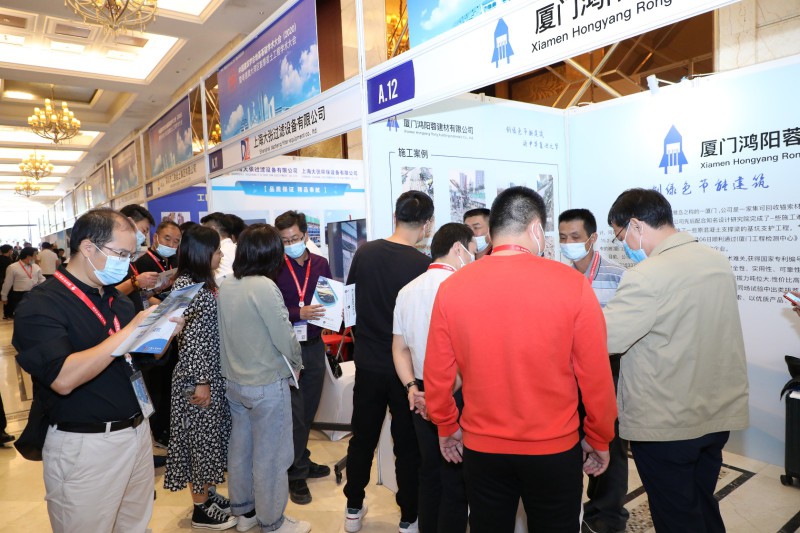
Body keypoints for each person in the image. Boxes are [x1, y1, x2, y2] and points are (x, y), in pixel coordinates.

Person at [424, 186, 617, 533]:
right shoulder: (572, 284)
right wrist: (599, 436)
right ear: (536, 229)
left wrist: (446, 425)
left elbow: (437, 372)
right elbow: (595, 376)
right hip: (554, 447)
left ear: (492, 231)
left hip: (482, 447)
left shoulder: (453, 287)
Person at [12, 208, 181, 532]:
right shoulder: (41, 304)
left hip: (136, 432)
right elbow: (63, 378)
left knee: (135, 525)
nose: (126, 264)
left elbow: (136, 359)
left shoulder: (118, 300)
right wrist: (130, 331)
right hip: (86, 444)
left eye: (130, 255)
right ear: (88, 248)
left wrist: (163, 333)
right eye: (121, 254)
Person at [603, 188, 749, 533]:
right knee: (702, 502)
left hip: (667, 423)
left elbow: (606, 339)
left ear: (636, 225)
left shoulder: (646, 275)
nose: (625, 245)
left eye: (621, 236)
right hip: (715, 414)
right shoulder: (716, 261)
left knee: (676, 516)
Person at [343, 190, 435, 533]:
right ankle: (409, 517)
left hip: (368, 364)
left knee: (362, 439)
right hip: (405, 370)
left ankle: (353, 509)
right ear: (427, 224)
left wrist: (361, 340)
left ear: (396, 216)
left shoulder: (365, 252)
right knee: (408, 446)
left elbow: (349, 305)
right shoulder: (423, 265)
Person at [217, 224, 310, 533]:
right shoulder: (264, 287)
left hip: (235, 382)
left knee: (241, 450)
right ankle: (272, 521)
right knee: (272, 456)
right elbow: (283, 334)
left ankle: (244, 513)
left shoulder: (227, 284)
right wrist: (297, 363)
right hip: (267, 383)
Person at [392, 223, 475, 533]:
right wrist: (441, 396)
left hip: (419, 393)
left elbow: (399, 348)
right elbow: (465, 355)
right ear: (458, 249)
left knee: (429, 470)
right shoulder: (463, 287)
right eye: (472, 250)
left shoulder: (407, 290)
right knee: (455, 473)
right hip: (456, 392)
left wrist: (412, 389)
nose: (474, 257)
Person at [558, 208, 628, 533]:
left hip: (606, 370)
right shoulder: (558, 278)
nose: (568, 243)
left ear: (593, 238)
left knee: (609, 443)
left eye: (575, 237)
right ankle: (577, 509)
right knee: (571, 442)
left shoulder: (618, 276)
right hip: (565, 373)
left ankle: (608, 514)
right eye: (563, 238)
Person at [164, 225, 236, 530]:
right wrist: (201, 382)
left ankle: (208, 494)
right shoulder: (187, 286)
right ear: (202, 253)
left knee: (209, 439)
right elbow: (190, 340)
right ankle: (200, 509)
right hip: (197, 378)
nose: (220, 255)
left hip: (209, 374)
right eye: (217, 250)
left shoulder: (203, 282)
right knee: (199, 442)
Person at [274, 210, 333, 505]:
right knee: (294, 415)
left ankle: (302, 459)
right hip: (287, 350)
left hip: (314, 344)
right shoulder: (274, 267)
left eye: (295, 238)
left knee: (308, 410)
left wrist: (334, 312)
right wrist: (299, 312)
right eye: (285, 240)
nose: (291, 244)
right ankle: (295, 475)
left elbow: (329, 300)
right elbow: (271, 310)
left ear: (305, 235)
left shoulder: (320, 263)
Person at [117, 204, 160, 305]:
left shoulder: (129, 257)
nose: (144, 237)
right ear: (128, 223)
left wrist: (154, 291)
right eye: (143, 231)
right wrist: (135, 282)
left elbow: (136, 296)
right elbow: (107, 296)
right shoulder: (111, 258)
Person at [1, 247, 45, 318]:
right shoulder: (12, 267)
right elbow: (7, 283)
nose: (36, 258)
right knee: (21, 316)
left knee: (33, 316)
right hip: (19, 296)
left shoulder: (36, 267)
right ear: (28, 256)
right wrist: (4, 296)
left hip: (34, 294)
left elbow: (42, 279)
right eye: (35, 255)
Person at [202, 212, 237, 283]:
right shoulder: (239, 249)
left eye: (204, 231)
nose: (201, 236)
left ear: (213, 230)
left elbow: (221, 284)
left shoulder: (216, 254)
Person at [0, 245, 13, 319]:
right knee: (9, 296)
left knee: (5, 296)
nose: (12, 251)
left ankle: (6, 314)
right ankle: (9, 313)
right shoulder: (7, 260)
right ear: (8, 250)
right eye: (11, 250)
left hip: (2, 279)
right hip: (6, 279)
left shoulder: (2, 258)